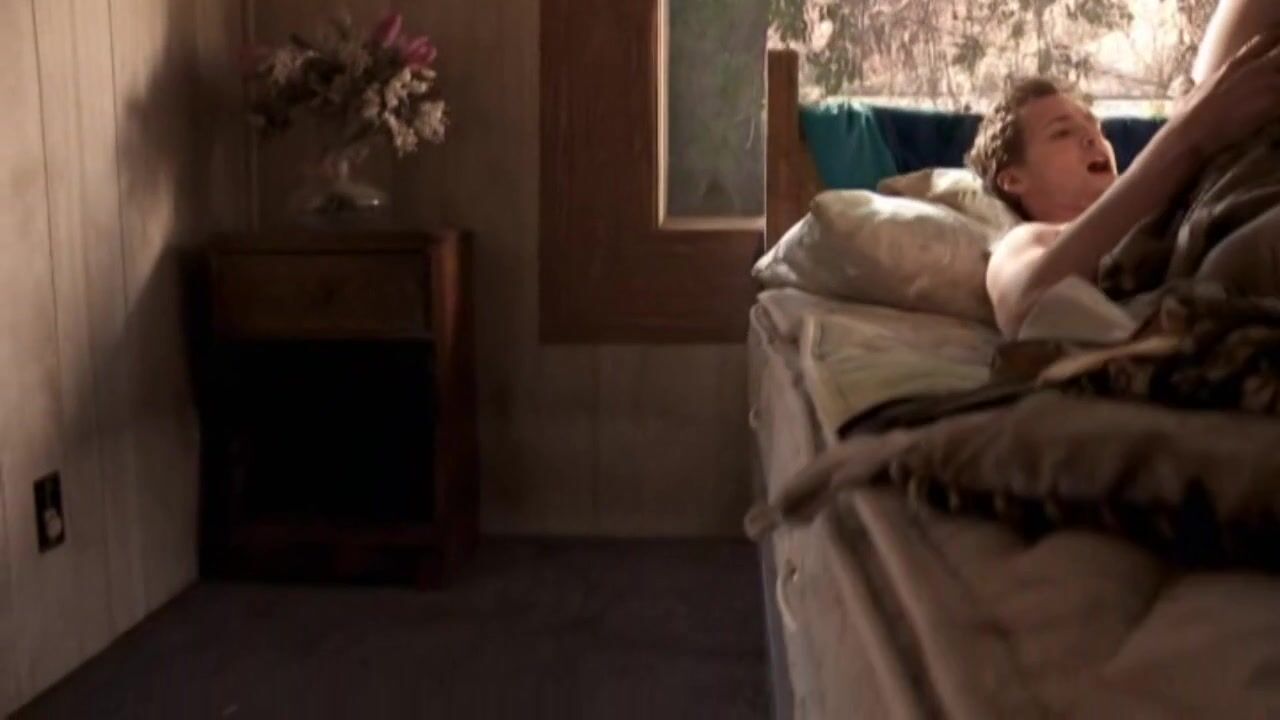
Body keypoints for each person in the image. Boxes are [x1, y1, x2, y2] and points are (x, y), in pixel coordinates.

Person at [970, 0, 1280, 338]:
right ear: (1013, 179)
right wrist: (1189, 134)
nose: (1092, 137)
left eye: (1096, 128)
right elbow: (1026, 306)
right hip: (1223, 228)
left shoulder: (1167, 180)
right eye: (1061, 132)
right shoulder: (1032, 238)